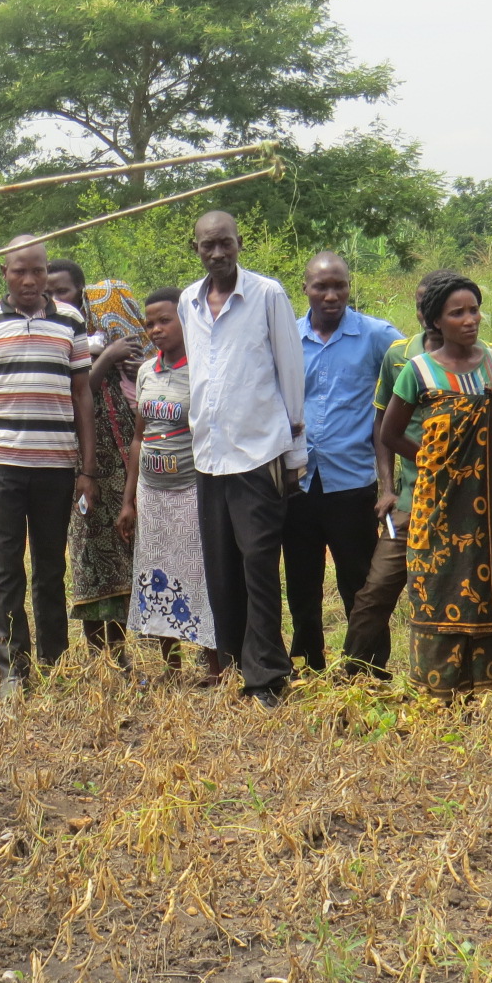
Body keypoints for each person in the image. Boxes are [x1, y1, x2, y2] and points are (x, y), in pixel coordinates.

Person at [380, 273, 492, 699]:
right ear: (435, 322)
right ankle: (442, 690)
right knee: (442, 581)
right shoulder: (418, 371)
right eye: (457, 313)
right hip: (440, 503)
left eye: (474, 310)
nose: (470, 320)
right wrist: (433, 463)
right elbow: (390, 434)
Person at [179, 211, 307, 706]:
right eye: (208, 245)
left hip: (259, 454)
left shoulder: (268, 295)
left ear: (239, 244)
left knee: (258, 564)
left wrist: (296, 454)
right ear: (197, 249)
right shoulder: (189, 302)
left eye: (225, 243)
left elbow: (290, 373)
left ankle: (268, 675)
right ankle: (234, 662)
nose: (217, 253)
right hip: (209, 455)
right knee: (221, 567)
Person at [0, 238, 96, 700]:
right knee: (3, 570)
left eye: (37, 271)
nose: (30, 280)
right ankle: (12, 670)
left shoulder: (71, 320)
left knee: (49, 569)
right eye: (20, 271)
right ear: (5, 272)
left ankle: (53, 663)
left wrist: (87, 470)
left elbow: (83, 397)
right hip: (2, 466)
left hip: (57, 467)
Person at [284, 250, 400, 672]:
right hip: (297, 481)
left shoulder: (377, 336)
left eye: (339, 286)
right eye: (321, 287)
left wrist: (390, 483)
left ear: (350, 287)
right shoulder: (288, 339)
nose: (331, 295)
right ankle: (310, 662)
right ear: (306, 289)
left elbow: (406, 388)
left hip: (352, 483)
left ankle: (367, 668)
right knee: (301, 580)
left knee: (359, 582)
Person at [342, 270, 450, 680]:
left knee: (442, 594)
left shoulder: (486, 359)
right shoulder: (400, 355)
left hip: (458, 499)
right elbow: (383, 425)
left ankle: (445, 682)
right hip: (408, 501)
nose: (426, 312)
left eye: (435, 304)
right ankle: (355, 673)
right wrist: (387, 486)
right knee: (376, 591)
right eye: (422, 303)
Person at [117, 287, 221, 680]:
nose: (156, 330)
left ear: (185, 320)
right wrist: (129, 501)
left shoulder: (203, 369)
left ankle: (214, 667)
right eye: (149, 324)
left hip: (192, 490)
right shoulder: (147, 371)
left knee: (200, 576)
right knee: (158, 573)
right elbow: (139, 437)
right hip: (152, 493)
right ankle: (171, 666)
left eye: (165, 321)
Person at [48, 260, 142, 663]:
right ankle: (99, 656)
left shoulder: (109, 331)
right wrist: (106, 358)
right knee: (88, 553)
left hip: (123, 465)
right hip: (80, 466)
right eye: (50, 292)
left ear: (82, 293)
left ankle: (122, 652)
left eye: (63, 291)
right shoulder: (53, 340)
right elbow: (74, 393)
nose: (56, 299)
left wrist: (123, 358)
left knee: (123, 556)